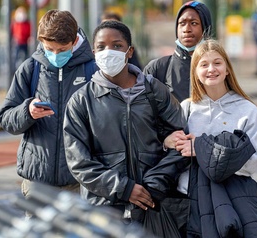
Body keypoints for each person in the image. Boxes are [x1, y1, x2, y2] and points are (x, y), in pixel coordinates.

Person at [63, 20, 189, 235]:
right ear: (94, 52)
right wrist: (124, 188)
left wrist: (155, 184)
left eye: (117, 45)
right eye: (101, 47)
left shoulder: (154, 91)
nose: (108, 51)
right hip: (103, 209)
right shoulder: (81, 101)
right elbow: (79, 162)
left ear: (129, 51)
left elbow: (182, 141)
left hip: (153, 206)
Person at [164, 39, 257, 237]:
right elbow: (175, 155)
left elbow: (252, 163)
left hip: (233, 199)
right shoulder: (186, 109)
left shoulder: (247, 110)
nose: (211, 69)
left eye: (217, 63)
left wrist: (201, 149)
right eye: (203, 64)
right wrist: (167, 142)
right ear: (195, 72)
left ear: (227, 69)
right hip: (189, 201)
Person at [0, 10, 95, 209]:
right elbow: (6, 118)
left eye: (62, 49)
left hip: (79, 180)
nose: (55, 55)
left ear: (75, 41)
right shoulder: (29, 69)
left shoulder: (92, 70)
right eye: (49, 48)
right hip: (37, 181)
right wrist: (27, 111)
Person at [144, 0, 212, 103]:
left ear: (205, 28)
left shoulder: (216, 67)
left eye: (194, 23)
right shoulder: (157, 68)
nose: (187, 29)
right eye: (182, 23)